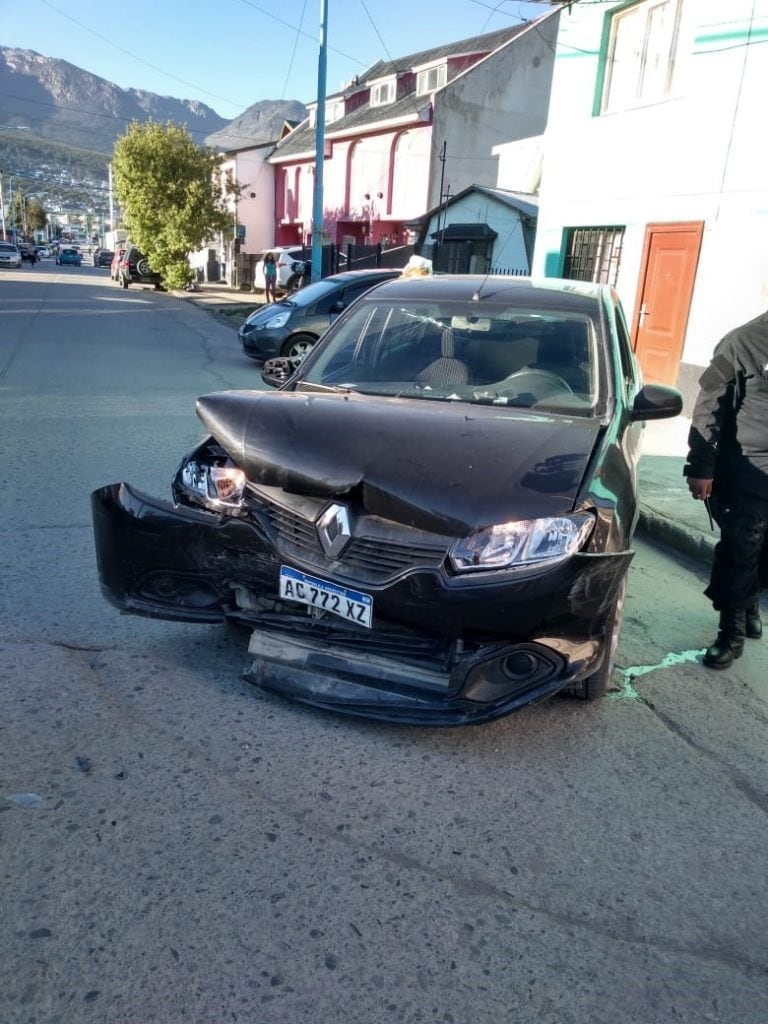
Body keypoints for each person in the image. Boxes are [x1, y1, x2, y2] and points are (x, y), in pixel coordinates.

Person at [684, 310, 768, 668]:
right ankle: (730, 631)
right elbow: (708, 405)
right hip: (748, 466)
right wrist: (701, 466)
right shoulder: (743, 342)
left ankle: (749, 603)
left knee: (764, 546)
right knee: (742, 544)